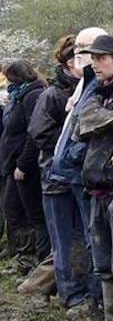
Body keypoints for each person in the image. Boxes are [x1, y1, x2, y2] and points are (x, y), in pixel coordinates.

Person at [45, 27, 107, 319]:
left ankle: (96, 300)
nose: (80, 54)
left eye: (86, 48)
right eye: (78, 49)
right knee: (80, 238)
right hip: (69, 174)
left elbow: (92, 131)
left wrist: (71, 157)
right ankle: (85, 298)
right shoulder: (85, 84)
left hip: (85, 175)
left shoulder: (101, 85)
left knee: (94, 239)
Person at [73, 35, 113, 321]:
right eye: (93, 58)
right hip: (95, 187)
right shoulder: (99, 91)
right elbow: (82, 125)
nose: (95, 64)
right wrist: (112, 116)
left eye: (101, 58)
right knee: (103, 264)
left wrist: (111, 116)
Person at [29, 35, 92, 314]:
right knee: (64, 241)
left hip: (81, 179)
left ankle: (85, 291)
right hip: (56, 180)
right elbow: (39, 132)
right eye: (80, 59)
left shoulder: (88, 91)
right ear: (68, 65)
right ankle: (71, 294)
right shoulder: (53, 95)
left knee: (85, 239)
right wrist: (74, 145)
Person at [2, 59, 49, 274]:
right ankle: (25, 258)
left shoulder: (32, 96)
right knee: (13, 211)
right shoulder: (18, 96)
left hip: (25, 166)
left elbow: (33, 133)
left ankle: (36, 263)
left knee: (33, 215)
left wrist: (23, 163)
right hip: (12, 164)